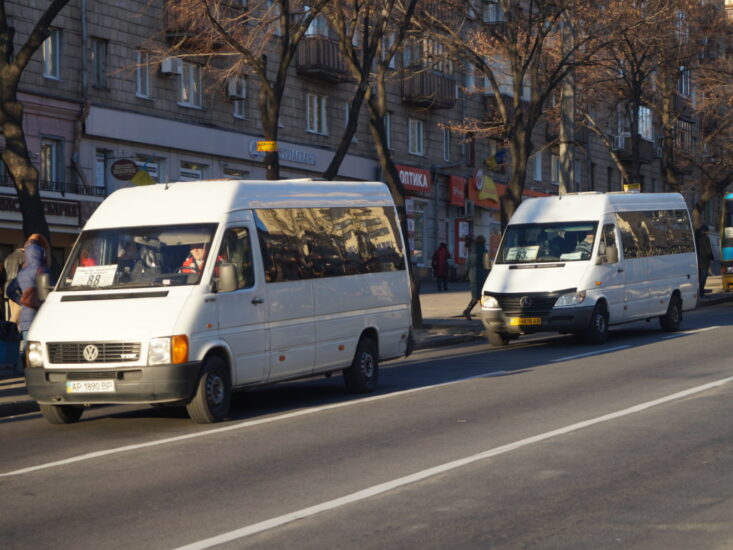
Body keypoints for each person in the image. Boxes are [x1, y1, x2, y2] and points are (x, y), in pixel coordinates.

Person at [16, 233, 50, 375]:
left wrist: (22, 300)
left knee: (26, 344)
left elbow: (9, 290)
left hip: (26, 312)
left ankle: (22, 370)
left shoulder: (22, 272)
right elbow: (51, 290)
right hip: (41, 313)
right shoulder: (43, 270)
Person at [462, 235, 488, 320]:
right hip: (482, 275)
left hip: (473, 275)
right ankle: (467, 311)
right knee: (479, 296)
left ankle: (484, 313)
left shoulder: (471, 252)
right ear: (483, 242)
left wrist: (466, 274)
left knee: (478, 295)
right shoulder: (485, 252)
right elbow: (487, 266)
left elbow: (467, 264)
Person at [4, 245, 24, 326]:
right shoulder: (23, 257)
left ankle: (9, 333)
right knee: (16, 315)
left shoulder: (8, 257)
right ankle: (10, 334)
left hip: (8, 287)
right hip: (17, 289)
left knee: (11, 314)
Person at [695, 224, 713, 297]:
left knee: (699, 277)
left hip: (697, 260)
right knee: (703, 276)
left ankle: (700, 290)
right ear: (705, 231)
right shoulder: (705, 239)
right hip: (704, 261)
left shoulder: (696, 238)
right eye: (707, 231)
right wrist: (711, 258)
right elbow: (708, 250)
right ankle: (701, 291)